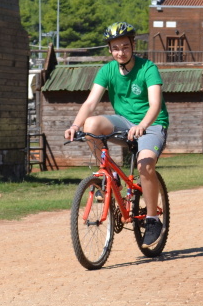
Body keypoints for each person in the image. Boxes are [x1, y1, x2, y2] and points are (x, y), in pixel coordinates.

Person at [64, 22, 169, 247]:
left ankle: (152, 220)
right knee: (91, 124)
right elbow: (91, 102)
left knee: (145, 165)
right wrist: (75, 125)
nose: (120, 52)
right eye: (115, 48)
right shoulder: (107, 70)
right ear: (110, 50)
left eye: (125, 46)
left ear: (133, 45)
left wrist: (142, 125)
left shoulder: (148, 68)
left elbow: (155, 105)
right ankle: (108, 178)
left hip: (151, 124)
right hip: (123, 123)